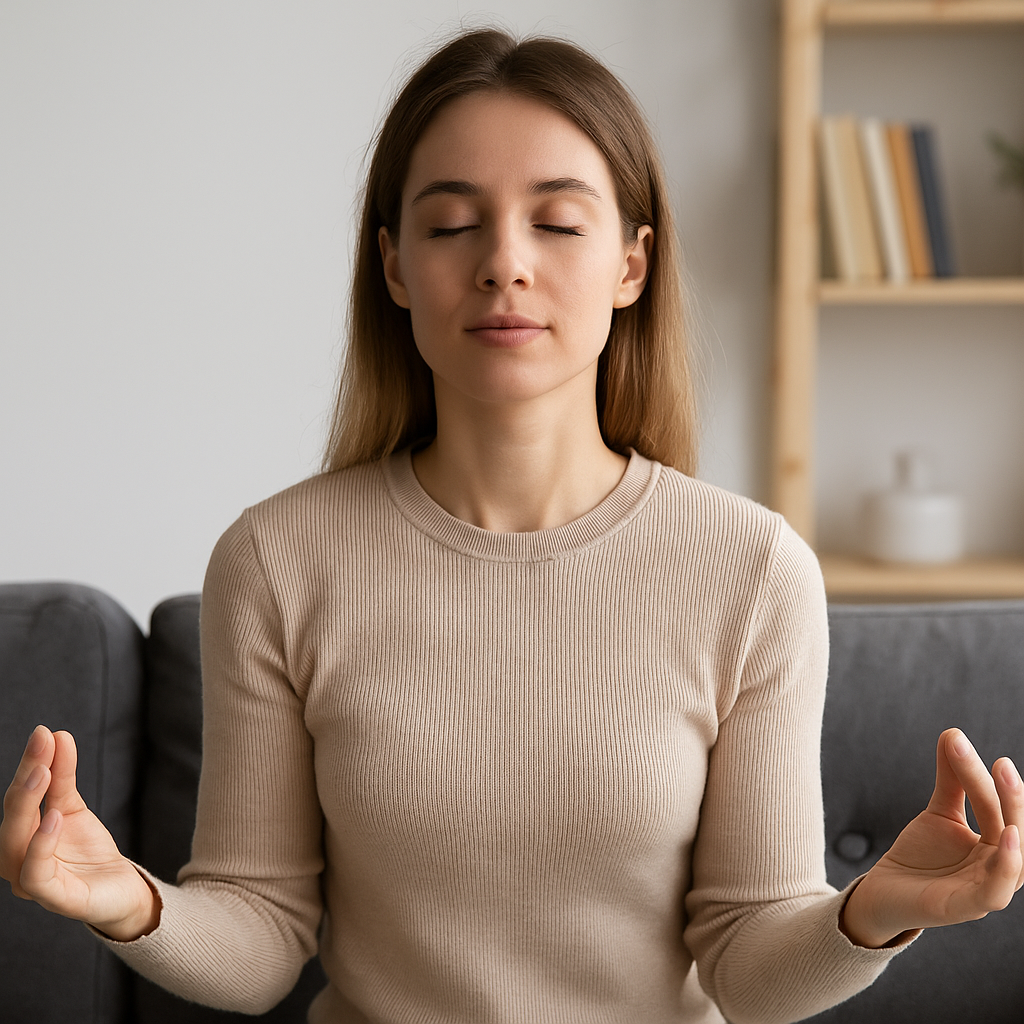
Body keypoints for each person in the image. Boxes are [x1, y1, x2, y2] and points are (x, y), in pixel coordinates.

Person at [2, 27, 1022, 1024]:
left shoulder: (751, 569)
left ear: (633, 264)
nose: (503, 264)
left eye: (557, 222)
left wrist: (874, 913)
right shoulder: (276, 560)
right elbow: (262, 935)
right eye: (452, 225)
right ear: (395, 267)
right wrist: (130, 903)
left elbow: (751, 967)